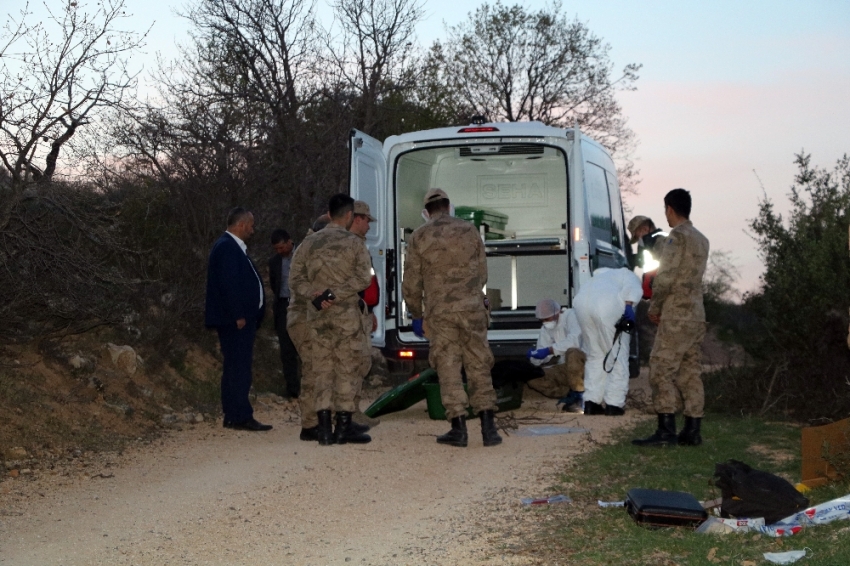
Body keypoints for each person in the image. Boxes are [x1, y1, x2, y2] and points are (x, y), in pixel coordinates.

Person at [402, 188, 501, 448]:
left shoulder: (420, 236)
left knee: (448, 367)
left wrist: (416, 313)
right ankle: (489, 428)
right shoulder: (469, 230)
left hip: (441, 314)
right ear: (449, 206)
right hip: (472, 309)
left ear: (426, 212)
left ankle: (458, 427)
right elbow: (482, 272)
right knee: (479, 364)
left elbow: (411, 282)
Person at [289, 194, 373, 445]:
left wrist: (315, 295)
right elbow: (363, 279)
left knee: (321, 369)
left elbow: (294, 279)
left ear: (329, 213)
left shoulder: (308, 243)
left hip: (316, 315)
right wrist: (336, 294)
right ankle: (343, 428)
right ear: (349, 215)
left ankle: (324, 429)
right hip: (345, 316)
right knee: (346, 370)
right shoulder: (355, 243)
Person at [633, 188, 710, 447]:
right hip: (697, 313)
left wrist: (654, 307)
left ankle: (666, 430)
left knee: (660, 368)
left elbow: (664, 277)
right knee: (690, 371)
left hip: (676, 312)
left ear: (669, 208)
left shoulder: (675, 238)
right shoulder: (702, 239)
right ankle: (692, 430)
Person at [204, 207, 271, 431]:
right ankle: (239, 415)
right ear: (241, 225)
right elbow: (228, 285)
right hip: (235, 321)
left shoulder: (231, 247)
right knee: (238, 368)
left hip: (239, 320)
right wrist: (239, 315)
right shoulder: (227, 248)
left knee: (236, 367)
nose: (253, 230)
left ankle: (234, 414)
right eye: (251, 225)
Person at [573, 268, 643, 416]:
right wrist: (629, 306)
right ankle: (614, 404)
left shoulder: (596, 279)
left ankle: (592, 402)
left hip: (580, 305)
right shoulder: (626, 273)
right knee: (618, 356)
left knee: (595, 355)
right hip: (606, 305)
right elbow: (633, 288)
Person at [349, 201, 382, 428]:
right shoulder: (348, 246)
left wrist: (369, 311)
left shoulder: (359, 244)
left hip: (361, 311)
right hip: (349, 313)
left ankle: (353, 409)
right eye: (367, 221)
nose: (369, 226)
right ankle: (347, 413)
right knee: (354, 361)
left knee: (361, 362)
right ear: (357, 218)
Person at [525, 299, 586, 413]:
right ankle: (571, 394)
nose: (544, 322)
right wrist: (534, 356)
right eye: (542, 320)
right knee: (533, 377)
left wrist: (550, 350)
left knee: (572, 353)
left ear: (556, 313)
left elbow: (575, 341)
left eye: (546, 318)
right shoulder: (546, 329)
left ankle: (580, 398)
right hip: (566, 368)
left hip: (585, 365)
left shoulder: (571, 316)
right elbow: (542, 354)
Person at [268, 229, 300, 399]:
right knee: (286, 349)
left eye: (282, 247)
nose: (280, 252)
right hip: (282, 306)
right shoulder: (274, 262)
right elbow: (275, 284)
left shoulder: (302, 255)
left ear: (289, 242)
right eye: (277, 249)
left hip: (301, 306)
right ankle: (292, 389)